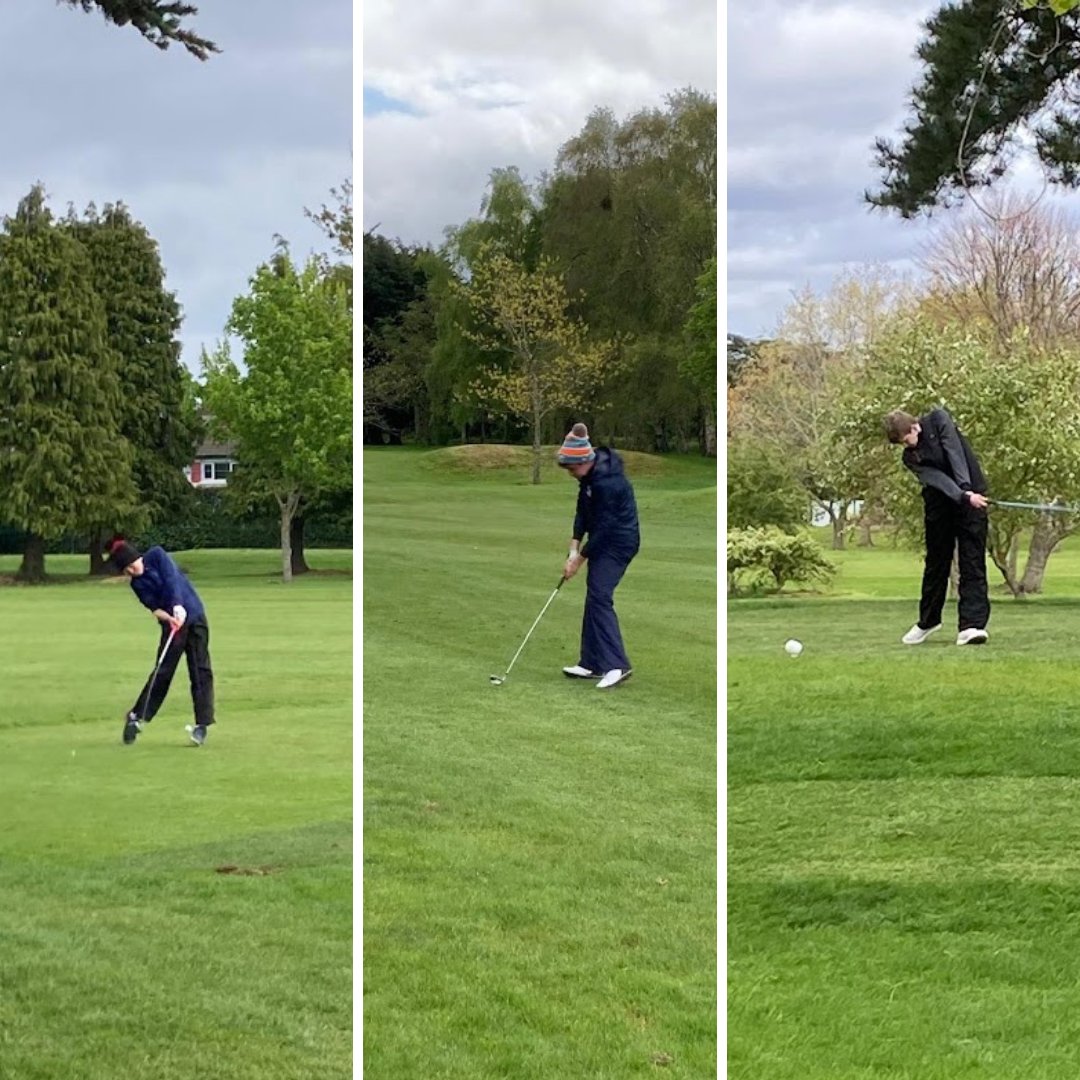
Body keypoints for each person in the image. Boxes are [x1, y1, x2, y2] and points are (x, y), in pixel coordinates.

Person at [884, 407, 991, 646]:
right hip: (940, 504)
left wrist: (967, 490)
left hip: (973, 498)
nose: (906, 446)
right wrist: (962, 494)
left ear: (914, 427)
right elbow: (937, 479)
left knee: (972, 561)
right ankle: (928, 621)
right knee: (936, 564)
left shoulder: (938, 420)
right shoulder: (910, 457)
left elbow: (955, 452)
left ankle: (971, 625)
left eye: (906, 440)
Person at [106, 537, 215, 745]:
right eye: (126, 570)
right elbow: (154, 608)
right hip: (173, 625)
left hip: (194, 615)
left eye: (131, 566)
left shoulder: (157, 555)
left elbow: (172, 579)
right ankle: (137, 717)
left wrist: (177, 606)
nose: (131, 571)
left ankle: (202, 725)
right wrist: (170, 617)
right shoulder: (137, 584)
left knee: (200, 670)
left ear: (135, 558)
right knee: (162, 671)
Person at [557, 423, 640, 688]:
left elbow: (603, 529)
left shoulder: (608, 482)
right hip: (604, 539)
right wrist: (572, 548)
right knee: (595, 596)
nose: (570, 474)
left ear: (583, 461)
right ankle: (591, 662)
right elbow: (583, 513)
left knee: (600, 596)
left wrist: (579, 561)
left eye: (571, 468)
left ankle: (617, 664)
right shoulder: (588, 477)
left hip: (619, 542)